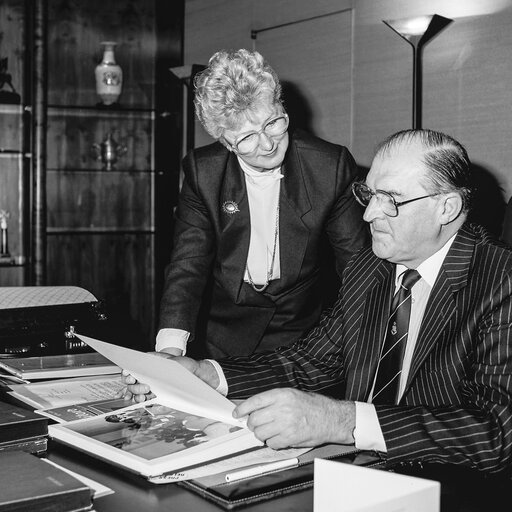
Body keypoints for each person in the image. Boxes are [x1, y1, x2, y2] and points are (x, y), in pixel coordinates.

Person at [126, 129, 512, 478]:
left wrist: (340, 420)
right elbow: (310, 362)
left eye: (391, 200)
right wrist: (207, 373)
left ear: (446, 208)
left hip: (450, 486)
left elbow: (496, 434)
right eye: (369, 193)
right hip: (353, 475)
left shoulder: (500, 281)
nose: (369, 213)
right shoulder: (370, 267)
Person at [156, 48, 369, 359]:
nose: (268, 144)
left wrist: (361, 347)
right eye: (247, 138)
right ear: (225, 142)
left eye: (273, 123)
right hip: (221, 337)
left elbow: (356, 267)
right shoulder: (204, 173)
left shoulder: (329, 166)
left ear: (281, 106)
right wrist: (170, 351)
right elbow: (188, 266)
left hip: (305, 338)